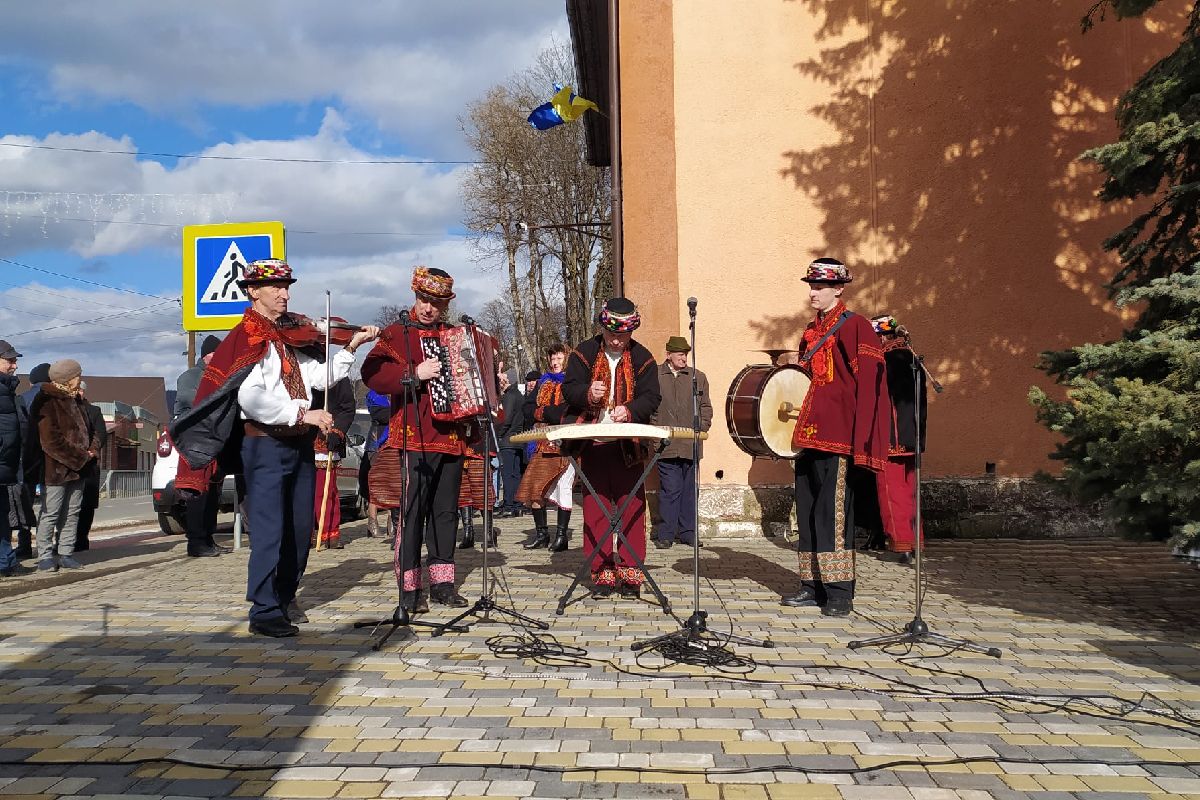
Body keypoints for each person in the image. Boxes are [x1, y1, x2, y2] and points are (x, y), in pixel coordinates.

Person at [172, 259, 379, 637]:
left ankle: (284, 599)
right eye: (275, 287)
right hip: (264, 445)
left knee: (300, 529)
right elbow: (253, 399)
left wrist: (350, 346)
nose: (284, 294)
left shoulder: (286, 335)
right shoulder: (248, 336)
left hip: (298, 444)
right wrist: (306, 414)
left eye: (287, 287)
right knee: (269, 531)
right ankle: (264, 610)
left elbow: (317, 376)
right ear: (253, 291)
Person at [779, 258, 890, 617]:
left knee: (834, 515)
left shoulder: (856, 326)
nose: (813, 292)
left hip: (839, 438)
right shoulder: (810, 332)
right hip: (807, 436)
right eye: (810, 285)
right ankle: (811, 586)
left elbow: (870, 385)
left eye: (820, 286)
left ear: (839, 289)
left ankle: (840, 592)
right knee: (809, 511)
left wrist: (864, 439)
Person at [362, 265, 469, 613]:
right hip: (414, 437)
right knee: (411, 514)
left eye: (436, 303)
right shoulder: (396, 333)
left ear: (445, 305)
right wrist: (413, 374)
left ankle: (443, 584)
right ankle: (409, 589)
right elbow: (372, 374)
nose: (428, 308)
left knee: (445, 513)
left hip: (451, 436)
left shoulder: (455, 336)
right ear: (415, 296)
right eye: (424, 300)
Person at [561, 298, 661, 597]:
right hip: (593, 445)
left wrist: (629, 410)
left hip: (628, 446)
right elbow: (569, 389)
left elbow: (652, 397)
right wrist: (587, 393)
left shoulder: (643, 358)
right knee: (596, 508)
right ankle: (602, 571)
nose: (616, 340)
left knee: (632, 507)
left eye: (623, 335)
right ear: (602, 327)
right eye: (611, 334)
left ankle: (631, 573)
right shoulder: (584, 353)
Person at [28, 359, 100, 572]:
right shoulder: (46, 401)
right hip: (56, 469)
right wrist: (80, 457)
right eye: (78, 375)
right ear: (69, 378)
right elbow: (50, 441)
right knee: (51, 512)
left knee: (72, 512)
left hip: (79, 468)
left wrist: (92, 450)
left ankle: (66, 552)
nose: (80, 379)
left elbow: (91, 430)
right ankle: (45, 555)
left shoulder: (77, 400)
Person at [869, 315, 927, 564]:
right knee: (911, 491)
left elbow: (878, 399)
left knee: (892, 493)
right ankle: (916, 543)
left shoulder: (884, 360)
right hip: (912, 437)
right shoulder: (912, 357)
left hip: (891, 439)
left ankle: (901, 545)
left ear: (881, 336)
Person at [651, 335, 712, 549]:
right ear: (668, 355)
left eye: (686, 355)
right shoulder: (655, 376)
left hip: (691, 444)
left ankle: (688, 533)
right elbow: (649, 406)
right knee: (671, 488)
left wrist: (703, 426)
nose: (684, 359)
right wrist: (655, 433)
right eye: (680, 355)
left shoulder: (697, 377)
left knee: (689, 490)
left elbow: (706, 406)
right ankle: (666, 534)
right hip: (665, 444)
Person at [174, 334, 232, 558]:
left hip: (212, 441)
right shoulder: (190, 377)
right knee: (196, 493)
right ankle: (196, 542)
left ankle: (208, 538)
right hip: (195, 441)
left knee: (212, 494)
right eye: (216, 355)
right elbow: (194, 402)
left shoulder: (219, 375)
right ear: (207, 355)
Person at [515, 344, 575, 551]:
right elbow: (527, 409)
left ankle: (561, 535)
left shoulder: (572, 383)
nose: (555, 362)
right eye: (553, 358)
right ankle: (542, 534)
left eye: (559, 358)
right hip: (541, 443)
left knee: (563, 487)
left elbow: (564, 412)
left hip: (565, 444)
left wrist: (545, 413)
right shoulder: (543, 382)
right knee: (534, 488)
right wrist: (544, 413)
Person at [312, 376, 357, 550]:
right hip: (301, 438)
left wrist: (337, 432)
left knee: (325, 491)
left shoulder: (338, 376)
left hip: (326, 441)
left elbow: (347, 408)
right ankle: (306, 531)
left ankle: (329, 532)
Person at [0, 340, 32, 577]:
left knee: (2, 516)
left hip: (6, 465)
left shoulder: (8, 390)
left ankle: (6, 562)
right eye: (9, 360)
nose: (14, 365)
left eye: (15, 360)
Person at [73, 382, 108, 552]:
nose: (78, 392)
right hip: (70, 464)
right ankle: (65, 540)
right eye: (75, 389)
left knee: (86, 505)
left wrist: (92, 451)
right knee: (68, 506)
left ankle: (81, 539)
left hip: (89, 466)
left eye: (80, 389)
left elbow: (101, 433)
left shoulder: (93, 411)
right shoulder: (65, 409)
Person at [359, 388, 391, 537]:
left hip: (393, 442)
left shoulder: (397, 393)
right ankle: (372, 522)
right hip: (377, 443)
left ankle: (393, 522)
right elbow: (381, 415)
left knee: (392, 484)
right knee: (375, 483)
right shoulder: (374, 394)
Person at [494, 369, 525, 517]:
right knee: (516, 474)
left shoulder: (509, 396)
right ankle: (517, 504)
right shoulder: (519, 395)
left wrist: (498, 435)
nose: (500, 383)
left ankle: (508, 505)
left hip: (508, 440)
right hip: (518, 439)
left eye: (502, 380)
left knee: (507, 474)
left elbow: (505, 419)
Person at [175, 335, 222, 418]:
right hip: (190, 424)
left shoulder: (221, 375)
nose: (218, 357)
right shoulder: (190, 376)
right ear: (205, 355)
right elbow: (188, 400)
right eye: (215, 353)